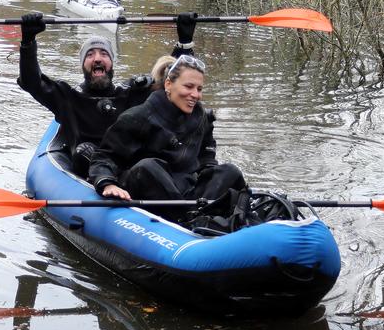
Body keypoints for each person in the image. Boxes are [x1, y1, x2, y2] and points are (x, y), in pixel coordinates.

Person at [17, 11, 197, 167]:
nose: (97, 58)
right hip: (86, 166)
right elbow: (32, 82)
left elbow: (173, 80)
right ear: (83, 65)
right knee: (83, 152)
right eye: (90, 54)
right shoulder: (68, 97)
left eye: (104, 54)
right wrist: (28, 42)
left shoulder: (131, 92)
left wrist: (185, 44)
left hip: (130, 166)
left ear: (111, 63)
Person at [88, 55, 246, 215]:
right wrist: (108, 183)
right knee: (148, 166)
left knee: (230, 171)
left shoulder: (201, 118)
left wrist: (212, 183)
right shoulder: (138, 117)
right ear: (168, 84)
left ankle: (206, 213)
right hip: (147, 186)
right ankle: (186, 217)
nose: (195, 95)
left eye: (199, 89)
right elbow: (104, 157)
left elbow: (206, 157)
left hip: (186, 188)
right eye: (189, 86)